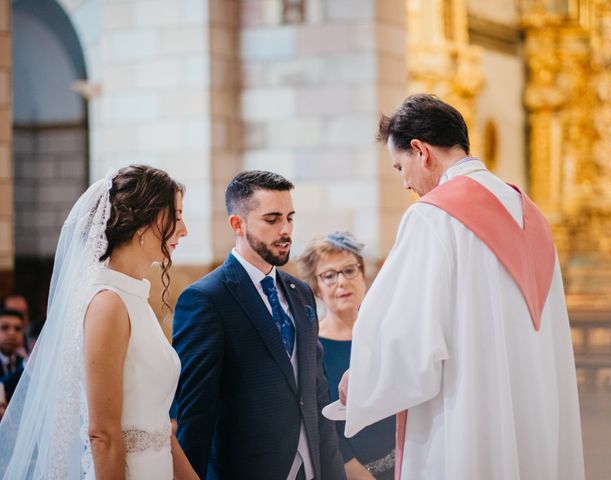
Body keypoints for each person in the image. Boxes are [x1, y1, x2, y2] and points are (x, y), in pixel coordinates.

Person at [339, 94, 585, 480]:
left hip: (467, 421)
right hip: (534, 418)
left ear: (420, 151)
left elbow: (410, 339)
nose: (404, 183)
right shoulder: (531, 212)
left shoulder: (433, 218)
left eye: (400, 166)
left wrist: (365, 375)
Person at [0, 165, 198, 480]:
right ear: (142, 221)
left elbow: (158, 426)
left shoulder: (136, 300)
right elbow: (102, 435)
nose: (184, 229)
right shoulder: (108, 303)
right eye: (176, 216)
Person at [173, 170, 345, 480]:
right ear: (237, 224)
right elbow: (196, 415)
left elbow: (317, 394)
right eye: (272, 219)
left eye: (290, 218)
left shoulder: (301, 293)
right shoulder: (205, 299)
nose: (286, 230)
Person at [298, 232, 395, 480]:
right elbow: (321, 426)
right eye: (329, 276)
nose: (341, 282)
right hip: (349, 472)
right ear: (316, 289)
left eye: (350, 270)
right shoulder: (311, 346)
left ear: (363, 275)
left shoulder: (388, 336)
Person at [0, 309, 26, 416]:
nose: (12, 333)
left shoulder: (24, 363)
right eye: (5, 328)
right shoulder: (25, 364)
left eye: (17, 329)